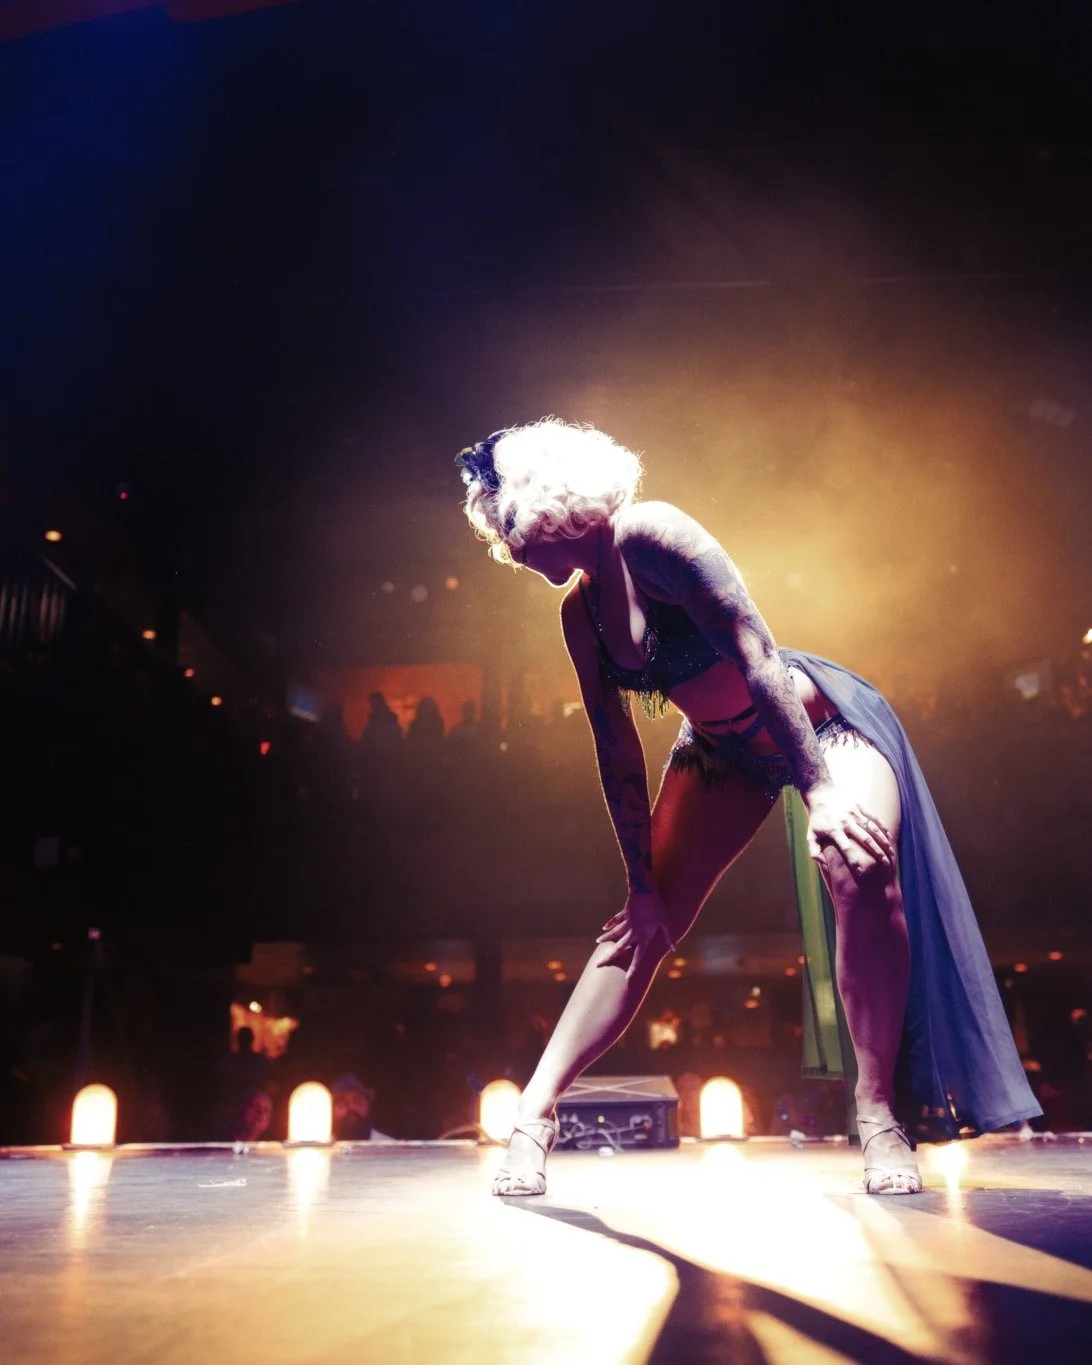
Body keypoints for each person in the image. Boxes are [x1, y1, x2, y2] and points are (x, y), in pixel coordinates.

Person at [456, 418, 1041, 1197]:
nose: (508, 547)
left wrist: (820, 789)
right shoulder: (580, 615)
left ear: (547, 504)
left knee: (856, 863)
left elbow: (758, 653)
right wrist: (640, 883)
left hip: (819, 726)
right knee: (639, 925)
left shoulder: (654, 535)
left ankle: (877, 1114)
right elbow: (615, 750)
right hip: (720, 750)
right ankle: (533, 1116)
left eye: (509, 525)